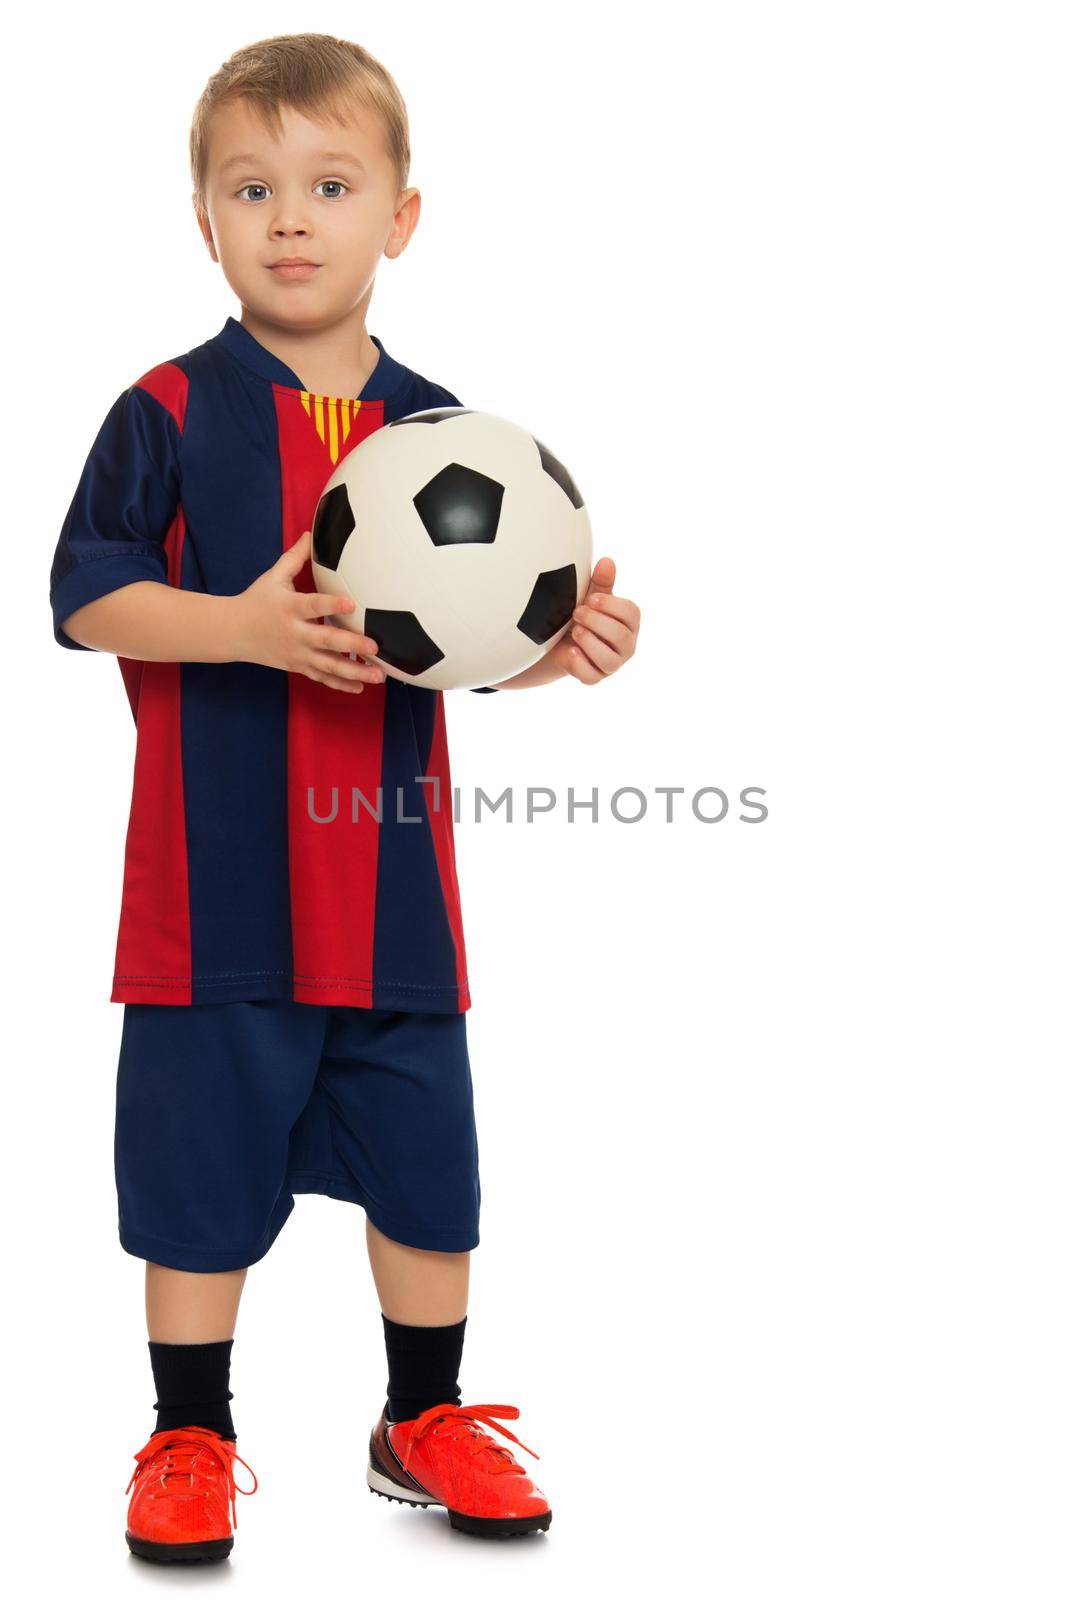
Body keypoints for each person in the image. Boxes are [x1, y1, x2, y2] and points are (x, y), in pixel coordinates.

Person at [48, 31, 641, 1561]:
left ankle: (421, 1416)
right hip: (215, 891)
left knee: (430, 1166)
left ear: (402, 217)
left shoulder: (450, 437)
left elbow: (454, 650)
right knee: (192, 1177)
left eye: (329, 184)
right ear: (206, 222)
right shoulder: (167, 409)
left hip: (384, 889)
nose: (291, 217)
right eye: (253, 188)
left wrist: (553, 658)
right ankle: (189, 1433)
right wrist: (239, 624)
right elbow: (87, 595)